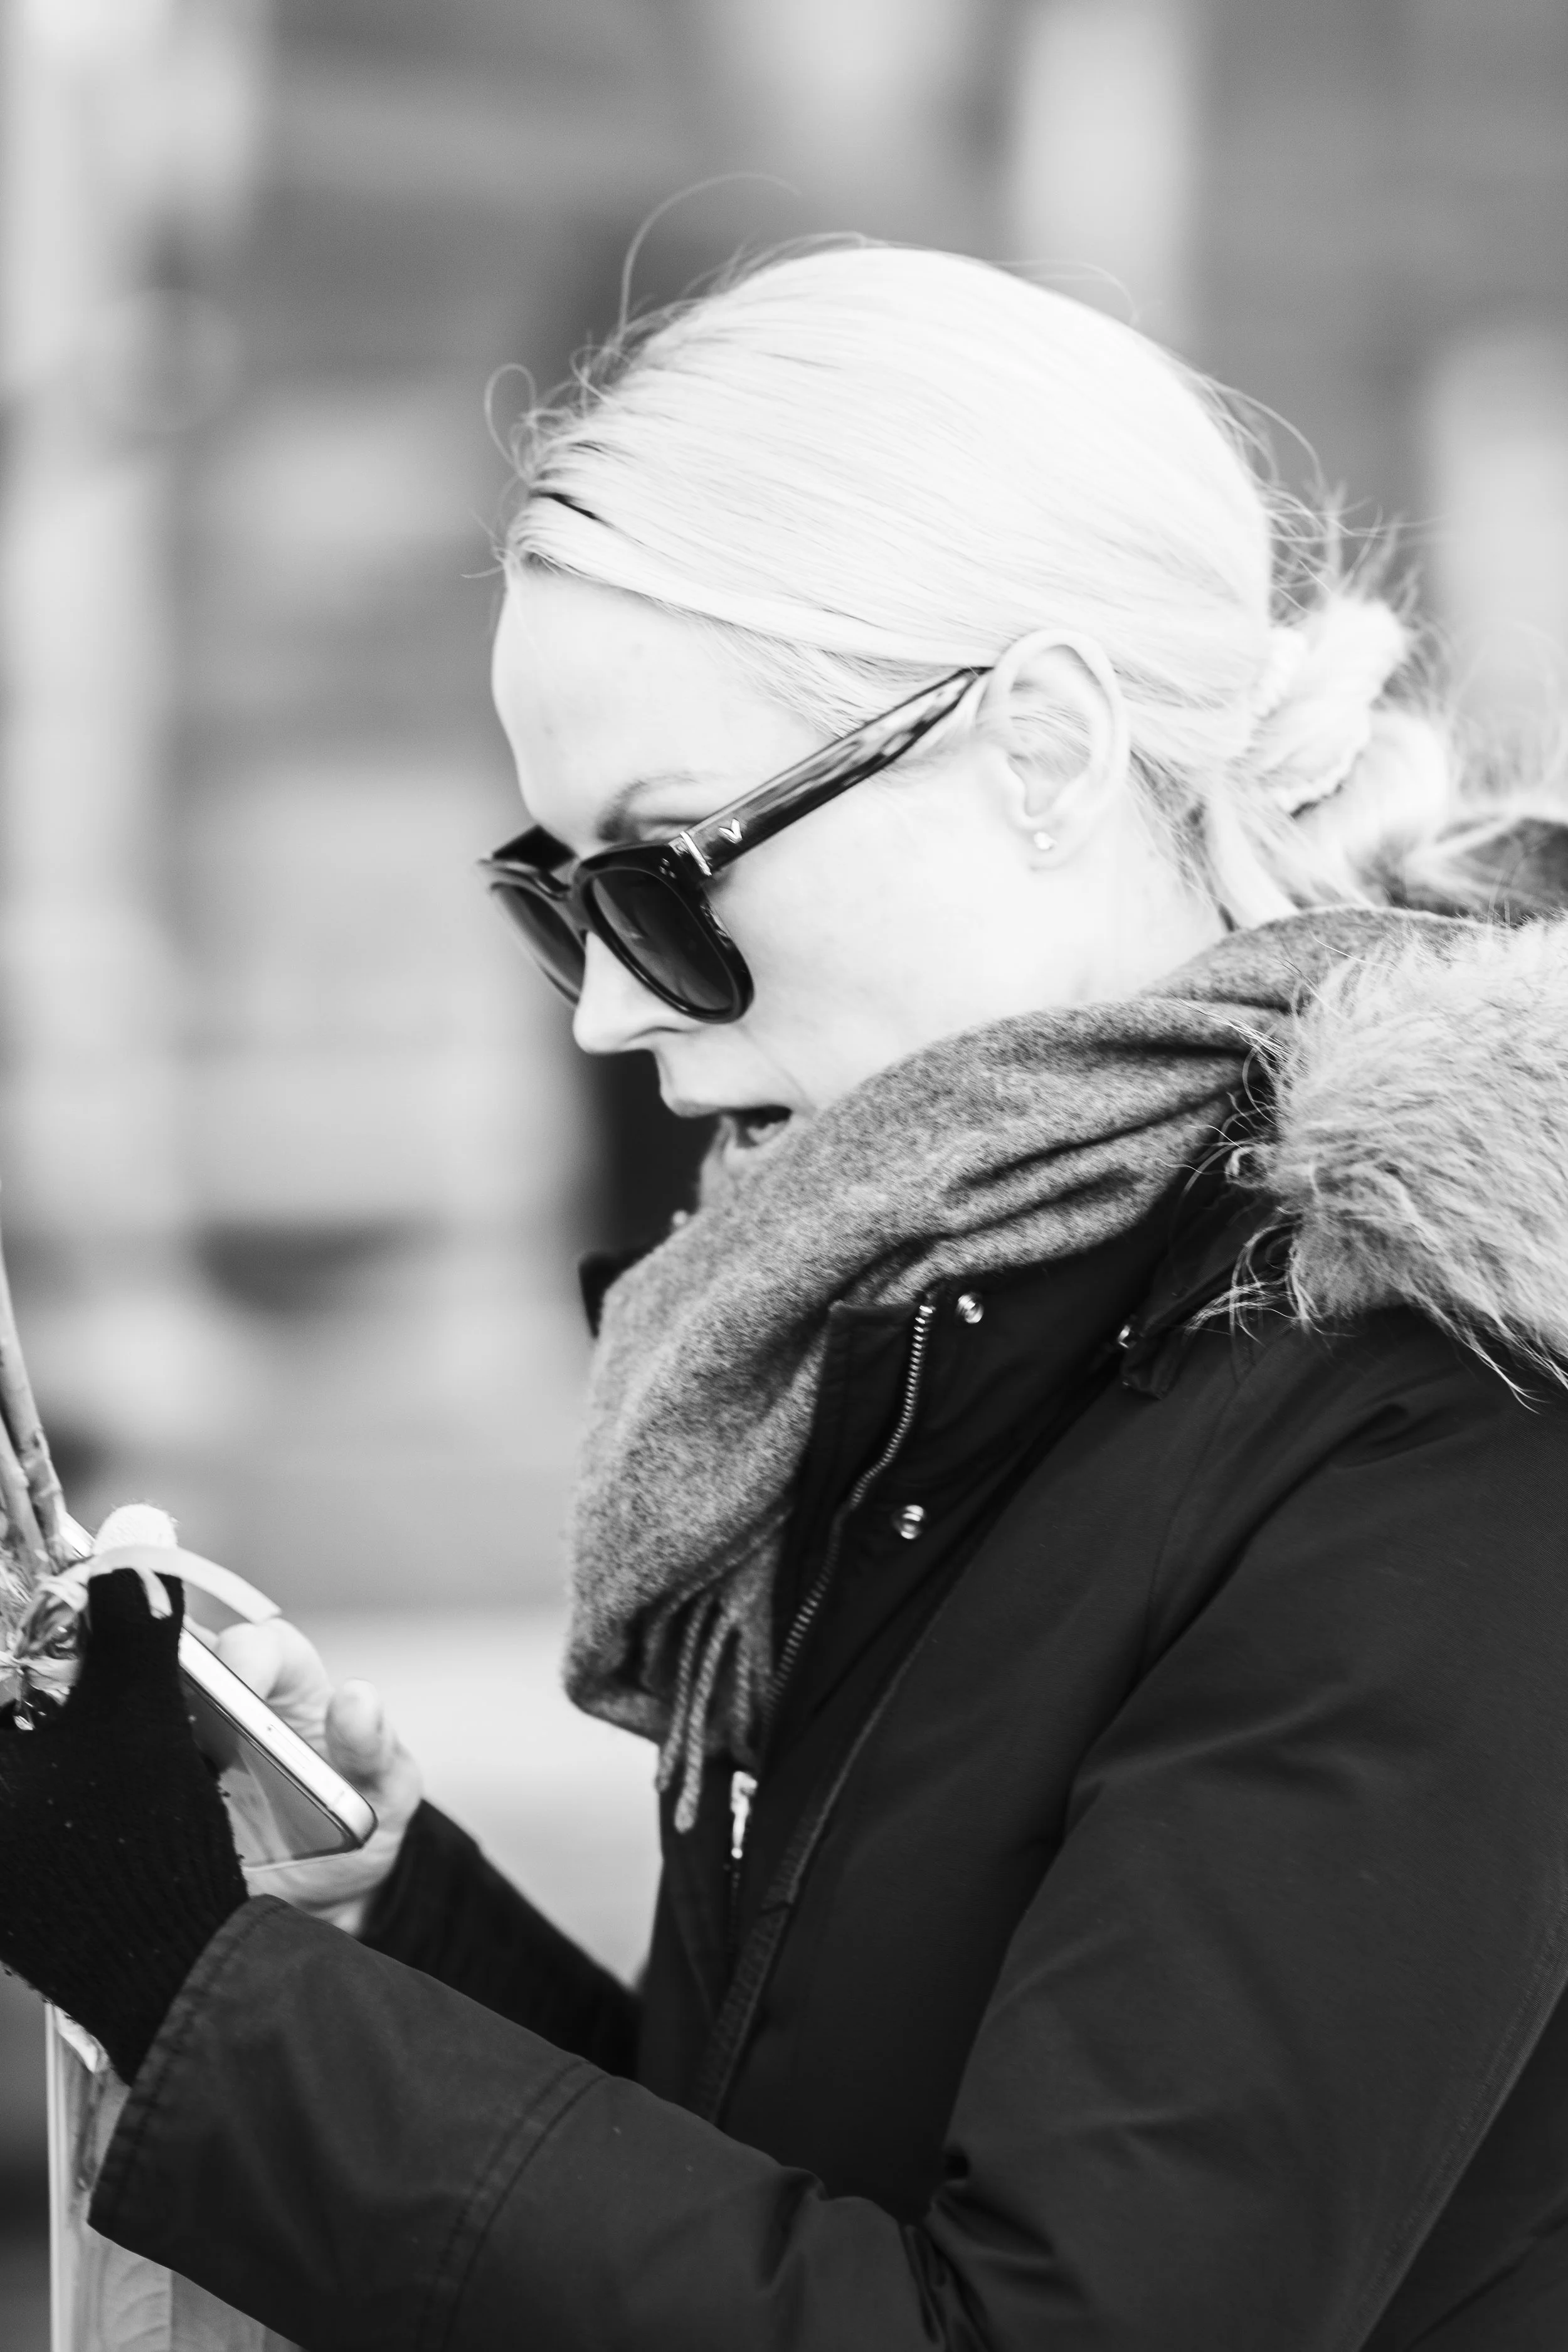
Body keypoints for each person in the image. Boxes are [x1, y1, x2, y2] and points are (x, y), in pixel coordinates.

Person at [4, 243, 1568, 2352]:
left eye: (671, 870)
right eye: (559, 900)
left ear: (1036, 743)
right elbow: (797, 2164)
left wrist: (194, 1982)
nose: (614, 1013)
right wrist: (356, 1911)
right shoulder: (947, 1315)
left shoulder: (1435, 1403)